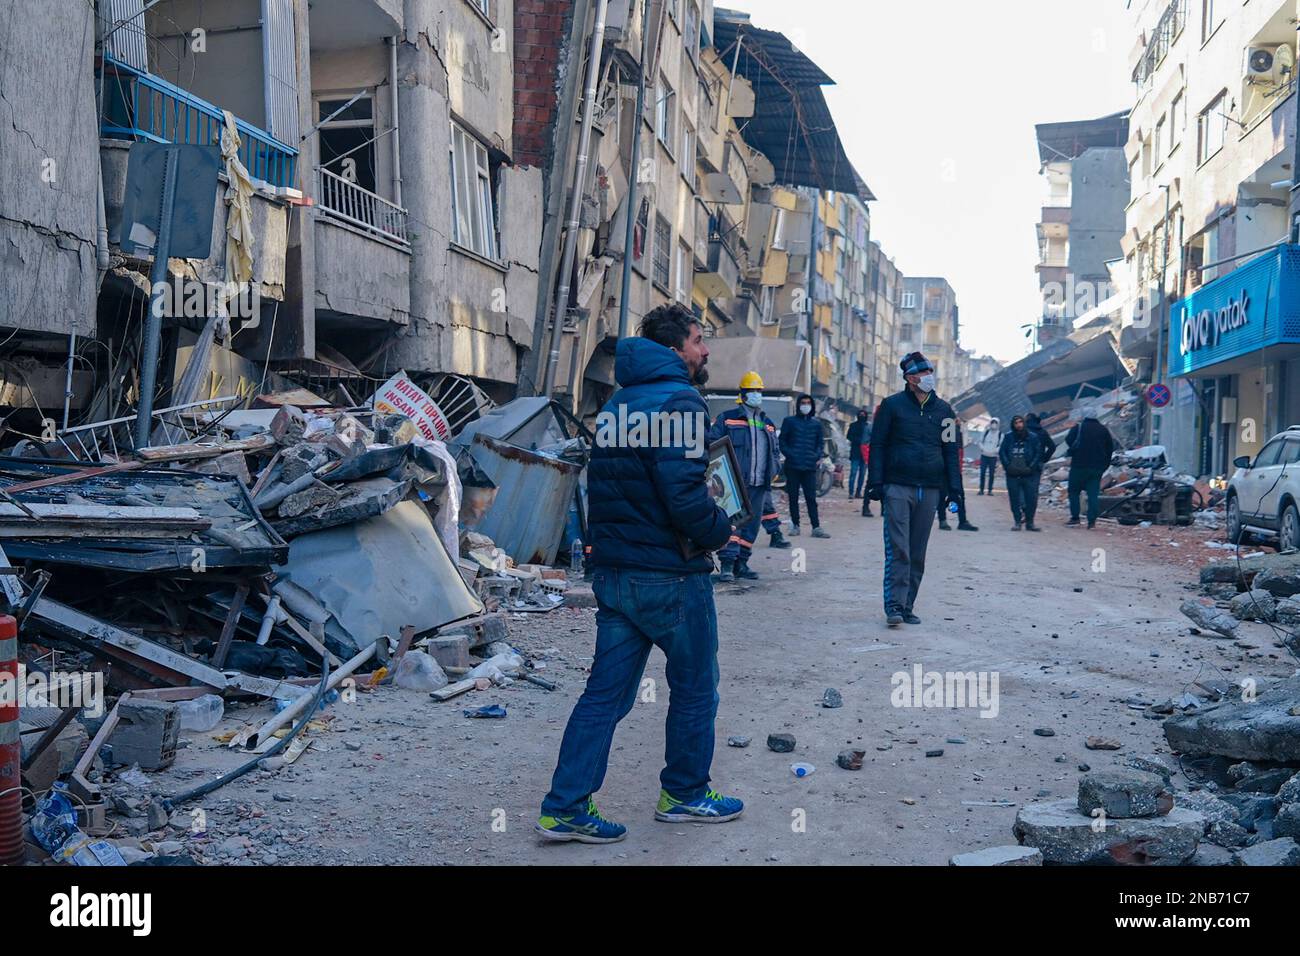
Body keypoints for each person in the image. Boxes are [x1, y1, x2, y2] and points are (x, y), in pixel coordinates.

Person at [538, 304, 742, 844]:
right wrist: (722, 530)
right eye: (699, 341)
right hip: (669, 576)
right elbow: (685, 497)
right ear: (675, 348)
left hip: (616, 572)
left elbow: (604, 490)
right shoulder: (680, 401)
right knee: (697, 689)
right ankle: (685, 794)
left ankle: (565, 808)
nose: (705, 351)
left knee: (604, 696)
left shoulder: (619, 403)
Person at [866, 352, 962, 627]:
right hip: (898, 486)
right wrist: (875, 482)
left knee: (918, 551)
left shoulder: (944, 411)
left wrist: (954, 489)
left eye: (931, 370)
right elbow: (879, 445)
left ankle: (908, 606)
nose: (929, 376)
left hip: (930, 489)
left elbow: (950, 449)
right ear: (910, 379)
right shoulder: (891, 406)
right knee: (899, 549)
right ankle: (894, 606)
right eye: (923, 372)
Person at [708, 370, 786, 582]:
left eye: (758, 391)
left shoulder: (767, 422)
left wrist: (775, 468)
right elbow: (713, 445)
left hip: (760, 483)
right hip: (733, 484)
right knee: (732, 525)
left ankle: (741, 564)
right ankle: (726, 565)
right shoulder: (728, 419)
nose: (755, 394)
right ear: (742, 394)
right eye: (751, 391)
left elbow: (775, 451)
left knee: (751, 526)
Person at [779, 394, 830, 538]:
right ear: (798, 405)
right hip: (793, 466)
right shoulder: (789, 421)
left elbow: (820, 443)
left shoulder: (816, 424)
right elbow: (782, 441)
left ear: (812, 405)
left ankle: (816, 527)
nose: (805, 405)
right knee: (793, 497)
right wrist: (791, 454)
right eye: (803, 402)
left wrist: (816, 456)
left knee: (811, 498)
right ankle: (795, 525)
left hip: (809, 467)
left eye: (808, 403)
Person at [1065, 415, 1116, 529]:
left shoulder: (1078, 428)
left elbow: (1068, 440)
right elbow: (1110, 448)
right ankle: (1091, 521)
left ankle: (1075, 518)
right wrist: (1105, 465)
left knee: (1074, 492)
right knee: (1093, 494)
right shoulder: (1103, 430)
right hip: (1096, 468)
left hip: (1079, 465)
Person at [999, 414, 1044, 531]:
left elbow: (1038, 453)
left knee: (1031, 499)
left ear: (1024, 423)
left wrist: (1031, 467)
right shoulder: (1008, 437)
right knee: (1014, 499)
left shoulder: (1032, 437)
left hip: (1029, 474)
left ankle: (1030, 523)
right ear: (1013, 425)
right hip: (1012, 473)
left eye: (1020, 422)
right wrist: (1007, 466)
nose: (1019, 425)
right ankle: (1017, 522)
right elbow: (1002, 452)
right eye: (1016, 423)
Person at [937, 418, 978, 531]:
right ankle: (943, 519)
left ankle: (961, 520)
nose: (959, 421)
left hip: (954, 468)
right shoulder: (945, 430)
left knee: (958, 495)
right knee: (943, 495)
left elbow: (958, 452)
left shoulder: (956, 432)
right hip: (944, 469)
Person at [846, 409, 869, 498]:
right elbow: (849, 436)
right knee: (853, 473)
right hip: (855, 453)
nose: (862, 416)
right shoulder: (853, 426)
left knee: (862, 475)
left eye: (863, 414)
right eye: (860, 414)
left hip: (865, 454)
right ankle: (851, 493)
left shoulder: (868, 427)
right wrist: (859, 441)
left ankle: (858, 492)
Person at [978, 417, 1001, 495]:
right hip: (984, 455)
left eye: (995, 423)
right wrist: (983, 449)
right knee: (982, 473)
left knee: (991, 474)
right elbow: (980, 441)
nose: (994, 424)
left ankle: (990, 490)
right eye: (992, 422)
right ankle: (981, 489)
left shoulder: (1000, 434)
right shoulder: (985, 432)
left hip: (993, 457)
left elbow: (1000, 445)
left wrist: (995, 451)